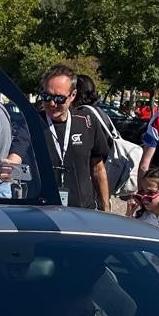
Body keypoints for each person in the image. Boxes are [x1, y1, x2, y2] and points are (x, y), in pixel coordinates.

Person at [38, 65, 109, 210]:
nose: (52, 104)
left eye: (59, 98)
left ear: (72, 95)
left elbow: (98, 169)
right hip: (43, 211)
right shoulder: (33, 123)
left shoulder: (87, 122)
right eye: (47, 97)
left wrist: (105, 207)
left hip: (83, 211)